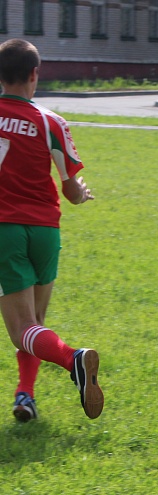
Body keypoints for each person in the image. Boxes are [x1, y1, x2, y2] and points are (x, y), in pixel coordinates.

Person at [0, 39, 104, 422]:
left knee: (21, 329)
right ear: (34, 74)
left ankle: (73, 358)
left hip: (4, 230)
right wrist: (82, 195)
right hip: (46, 231)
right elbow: (71, 188)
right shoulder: (51, 121)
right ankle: (25, 395)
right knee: (34, 324)